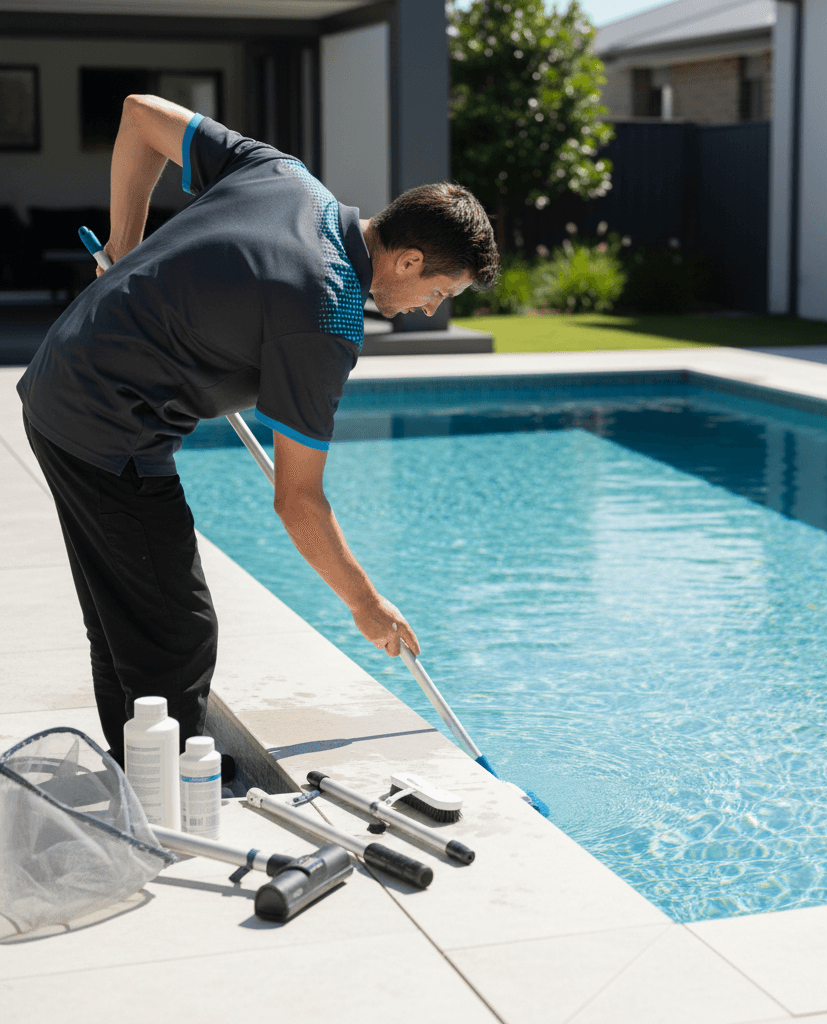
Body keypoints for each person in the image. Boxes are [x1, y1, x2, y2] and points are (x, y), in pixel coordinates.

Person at [18, 94, 500, 765]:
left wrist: (123, 243)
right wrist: (364, 602)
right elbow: (297, 500)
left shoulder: (284, 175)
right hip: (105, 424)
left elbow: (135, 115)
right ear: (410, 260)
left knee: (131, 619)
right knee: (177, 632)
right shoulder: (328, 316)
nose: (426, 310)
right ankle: (171, 799)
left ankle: (139, 775)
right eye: (439, 293)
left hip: (56, 385)